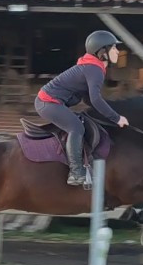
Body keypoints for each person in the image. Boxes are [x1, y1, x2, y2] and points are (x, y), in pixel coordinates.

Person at [34, 30, 129, 186]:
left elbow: (87, 99)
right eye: (113, 48)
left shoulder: (93, 67)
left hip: (52, 103)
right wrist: (116, 118)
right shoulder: (94, 69)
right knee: (76, 128)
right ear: (102, 51)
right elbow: (95, 99)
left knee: (81, 122)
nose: (117, 51)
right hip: (48, 103)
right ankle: (76, 173)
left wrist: (109, 112)